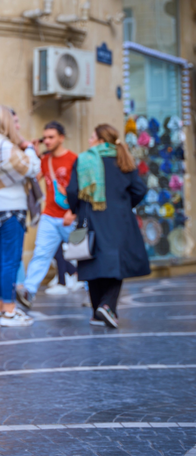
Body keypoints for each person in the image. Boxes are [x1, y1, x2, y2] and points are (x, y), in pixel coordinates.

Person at [66, 123, 149, 328]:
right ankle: (107, 306)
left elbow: (72, 191)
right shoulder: (123, 160)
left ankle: (98, 311)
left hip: (90, 217)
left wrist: (77, 208)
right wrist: (123, 204)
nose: (89, 141)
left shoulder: (83, 159)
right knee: (116, 262)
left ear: (101, 140)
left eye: (92, 137)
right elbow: (139, 189)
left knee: (92, 260)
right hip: (119, 219)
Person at [0, 105, 39, 327]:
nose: (19, 126)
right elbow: (32, 168)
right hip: (11, 208)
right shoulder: (5, 145)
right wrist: (29, 148)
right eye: (15, 122)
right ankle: (9, 311)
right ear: (6, 122)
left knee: (0, 260)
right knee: (11, 260)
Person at [16, 121, 78, 309]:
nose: (48, 141)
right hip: (49, 216)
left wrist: (74, 212)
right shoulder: (45, 160)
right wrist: (33, 154)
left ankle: (96, 295)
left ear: (61, 138)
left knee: (83, 256)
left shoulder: (74, 159)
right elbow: (33, 179)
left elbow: (82, 189)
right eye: (46, 138)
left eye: (52, 137)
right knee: (41, 253)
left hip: (70, 216)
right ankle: (29, 291)